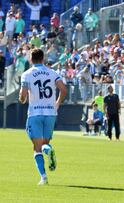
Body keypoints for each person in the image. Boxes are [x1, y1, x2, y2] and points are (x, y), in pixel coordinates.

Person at [18, 48, 67, 185]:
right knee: (45, 144)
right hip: (51, 113)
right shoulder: (52, 73)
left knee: (37, 147)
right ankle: (49, 150)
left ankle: (44, 177)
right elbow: (63, 90)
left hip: (35, 113)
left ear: (31, 59)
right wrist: (57, 103)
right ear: (43, 59)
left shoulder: (27, 74)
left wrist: (22, 99)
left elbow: (23, 95)